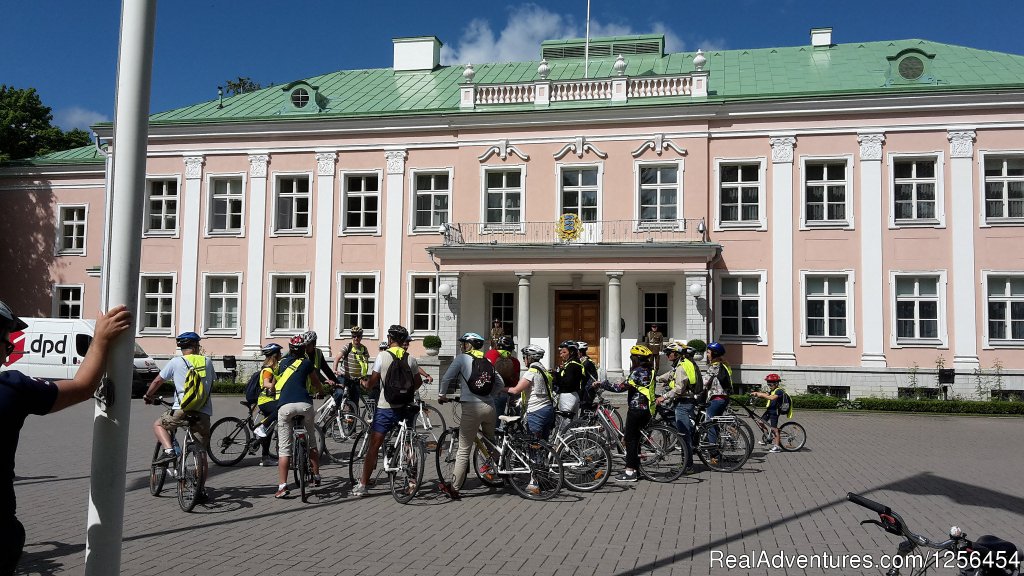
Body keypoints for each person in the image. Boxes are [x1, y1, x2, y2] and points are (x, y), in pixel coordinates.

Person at [1, 300, 131, 574]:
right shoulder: (10, 389)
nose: (7, 354)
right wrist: (100, 340)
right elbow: (82, 386)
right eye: (6, 343)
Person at [352, 325, 424, 498]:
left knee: (374, 446)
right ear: (403, 341)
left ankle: (363, 485)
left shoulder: (382, 356)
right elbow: (418, 382)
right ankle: (412, 482)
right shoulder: (411, 359)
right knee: (408, 445)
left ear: (390, 339)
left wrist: (365, 385)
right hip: (405, 407)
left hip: (385, 407)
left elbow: (373, 382)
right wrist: (407, 393)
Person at [143, 331, 215, 501]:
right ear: (196, 346)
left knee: (159, 425)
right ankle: (200, 490)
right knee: (201, 453)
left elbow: (157, 381)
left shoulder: (176, 362)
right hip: (203, 412)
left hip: (181, 409)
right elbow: (211, 382)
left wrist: (148, 395)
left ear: (181, 347)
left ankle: (168, 451)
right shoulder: (207, 361)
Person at [436, 331, 500, 500]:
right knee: (491, 443)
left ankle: (455, 488)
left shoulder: (462, 359)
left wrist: (442, 395)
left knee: (464, 449)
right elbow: (499, 382)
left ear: (468, 345)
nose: (462, 346)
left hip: (471, 407)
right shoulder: (487, 360)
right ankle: (501, 472)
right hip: (490, 406)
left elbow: (447, 378)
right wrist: (489, 395)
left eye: (464, 343)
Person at [594, 344, 658, 482]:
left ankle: (630, 472)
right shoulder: (650, 370)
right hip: (647, 409)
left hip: (636, 410)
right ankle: (637, 469)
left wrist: (603, 384)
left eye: (632, 358)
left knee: (630, 440)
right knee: (636, 440)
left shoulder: (638, 372)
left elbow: (621, 388)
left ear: (636, 359)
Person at [272, 334, 326, 498]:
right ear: (303, 349)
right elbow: (316, 382)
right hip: (304, 405)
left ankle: (282, 487)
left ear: (290, 349)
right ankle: (316, 476)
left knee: (284, 449)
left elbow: (274, 385)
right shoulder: (307, 363)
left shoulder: (281, 363)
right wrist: (321, 392)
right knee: (311, 442)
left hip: (285, 407)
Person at [655, 340, 703, 472]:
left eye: (669, 353)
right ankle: (687, 462)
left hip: (684, 403)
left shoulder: (682, 367)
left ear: (676, 354)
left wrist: (663, 397)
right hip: (683, 402)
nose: (667, 355)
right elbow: (670, 375)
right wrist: (656, 378)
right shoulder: (681, 365)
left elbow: (679, 388)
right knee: (682, 431)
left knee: (683, 434)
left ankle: (687, 466)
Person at [503, 345, 554, 442]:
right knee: (543, 443)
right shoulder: (543, 370)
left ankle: (534, 457)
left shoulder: (531, 372)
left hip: (536, 411)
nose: (523, 360)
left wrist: (500, 388)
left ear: (529, 358)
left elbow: (516, 390)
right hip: (547, 409)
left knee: (533, 443)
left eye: (524, 357)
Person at [254, 343, 283, 467]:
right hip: (265, 401)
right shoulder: (268, 369)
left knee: (269, 431)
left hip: (269, 400)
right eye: (280, 353)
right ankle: (261, 426)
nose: (281, 355)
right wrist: (275, 385)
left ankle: (265, 457)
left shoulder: (273, 368)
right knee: (281, 408)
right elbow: (266, 383)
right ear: (275, 355)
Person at [703, 341, 733, 446]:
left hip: (716, 399)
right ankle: (716, 448)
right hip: (724, 399)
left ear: (714, 354)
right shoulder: (725, 365)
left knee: (710, 424)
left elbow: (704, 382)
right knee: (715, 424)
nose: (707, 354)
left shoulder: (714, 366)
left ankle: (713, 452)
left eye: (708, 352)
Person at [333, 326, 370, 411]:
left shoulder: (364, 349)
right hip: (344, 377)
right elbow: (337, 358)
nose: (356, 338)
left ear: (361, 337)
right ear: (351, 336)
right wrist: (334, 370)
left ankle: (351, 423)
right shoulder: (348, 346)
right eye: (354, 336)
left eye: (358, 336)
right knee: (339, 393)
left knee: (354, 402)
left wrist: (363, 377)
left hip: (356, 380)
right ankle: (334, 410)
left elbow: (365, 364)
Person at [751, 373, 788, 453]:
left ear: (776, 383)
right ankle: (768, 437)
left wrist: (761, 395)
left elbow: (771, 397)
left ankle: (777, 446)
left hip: (775, 411)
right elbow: (766, 394)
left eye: (770, 384)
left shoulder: (779, 391)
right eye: (768, 383)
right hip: (769, 410)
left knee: (774, 429)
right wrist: (756, 393)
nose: (769, 385)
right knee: (760, 422)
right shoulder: (772, 390)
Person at [485, 335, 519, 421]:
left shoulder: (490, 353)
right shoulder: (515, 361)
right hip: (509, 392)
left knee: (495, 423)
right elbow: (515, 380)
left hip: (494, 392)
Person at [554, 340, 584, 416]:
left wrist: (556, 376)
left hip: (567, 397)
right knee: (573, 423)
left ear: (571, 352)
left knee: (565, 424)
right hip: (575, 395)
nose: (561, 355)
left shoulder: (571, 366)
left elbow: (567, 382)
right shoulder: (576, 363)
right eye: (561, 353)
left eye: (564, 352)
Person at [576, 341, 599, 411]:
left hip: (588, 389)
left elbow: (578, 375)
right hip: (585, 388)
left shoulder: (586, 362)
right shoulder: (584, 360)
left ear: (580, 352)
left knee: (585, 410)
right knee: (584, 409)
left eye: (576, 351)